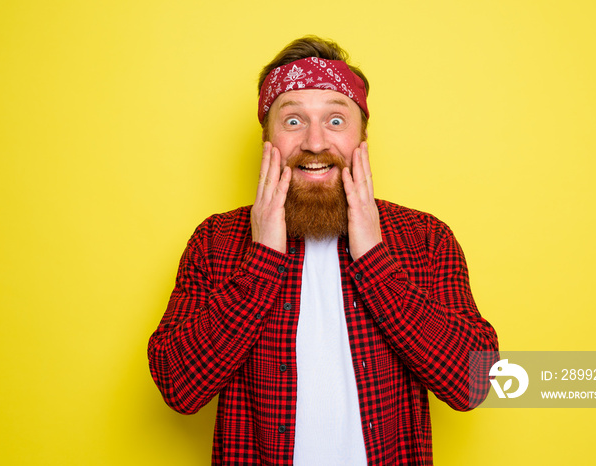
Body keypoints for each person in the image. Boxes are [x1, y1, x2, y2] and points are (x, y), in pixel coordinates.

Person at [148, 35, 499, 465]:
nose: (315, 143)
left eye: (335, 120)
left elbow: (475, 382)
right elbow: (177, 386)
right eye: (293, 121)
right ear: (267, 137)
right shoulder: (217, 240)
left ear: (361, 136)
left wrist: (374, 261)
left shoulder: (424, 237)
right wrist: (261, 263)